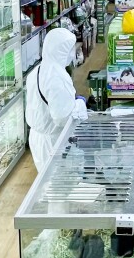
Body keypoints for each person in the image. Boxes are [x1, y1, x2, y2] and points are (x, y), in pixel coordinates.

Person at [25, 28, 88, 172]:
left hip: (38, 138)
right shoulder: (56, 76)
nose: (72, 53)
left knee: (46, 179)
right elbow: (63, 118)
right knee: (60, 183)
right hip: (54, 142)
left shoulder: (37, 70)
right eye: (69, 49)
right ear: (60, 50)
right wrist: (79, 104)